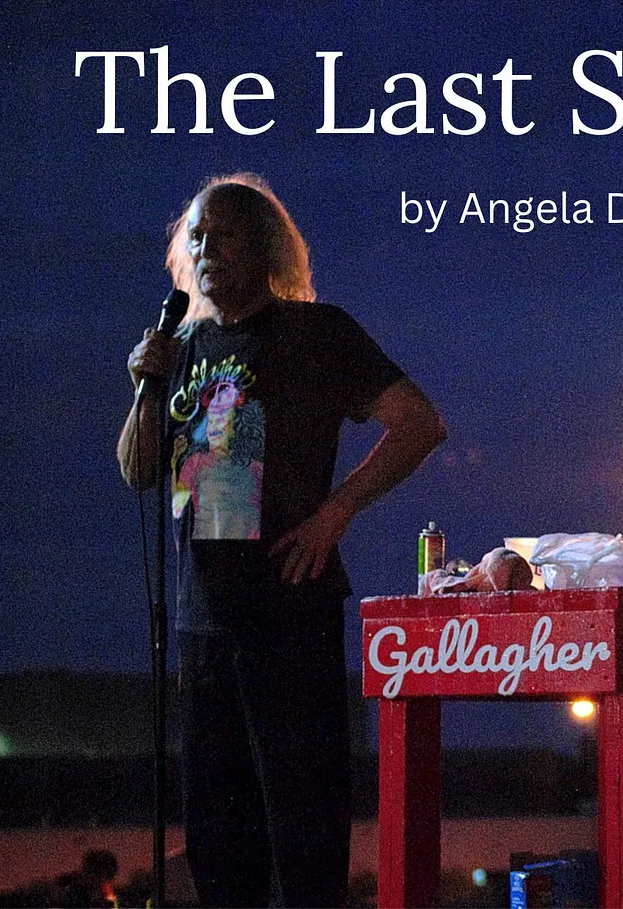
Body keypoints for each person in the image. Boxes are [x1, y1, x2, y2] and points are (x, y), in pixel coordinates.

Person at [116, 173, 447, 907]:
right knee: (217, 846)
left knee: (304, 837)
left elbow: (419, 421)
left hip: (289, 616)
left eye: (224, 234)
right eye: (196, 237)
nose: (207, 249)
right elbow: (140, 469)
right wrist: (145, 382)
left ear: (263, 246)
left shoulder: (316, 332)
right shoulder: (187, 345)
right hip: (203, 625)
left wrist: (337, 512)